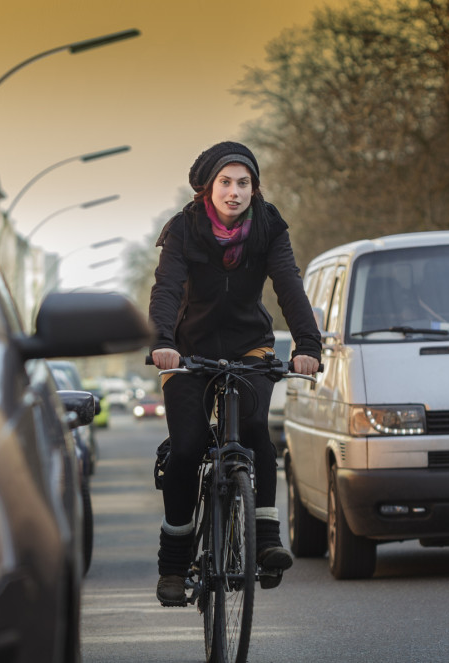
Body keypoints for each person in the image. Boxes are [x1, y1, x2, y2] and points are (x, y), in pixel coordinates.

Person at [148, 141, 322, 606]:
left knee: (251, 429)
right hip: (187, 350)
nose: (234, 192)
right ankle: (174, 563)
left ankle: (265, 538)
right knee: (186, 449)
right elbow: (166, 288)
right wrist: (163, 342)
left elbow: (288, 284)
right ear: (209, 188)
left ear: (253, 188)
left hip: (250, 345)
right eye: (225, 182)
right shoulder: (184, 229)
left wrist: (308, 345)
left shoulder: (268, 225)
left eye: (243, 183)